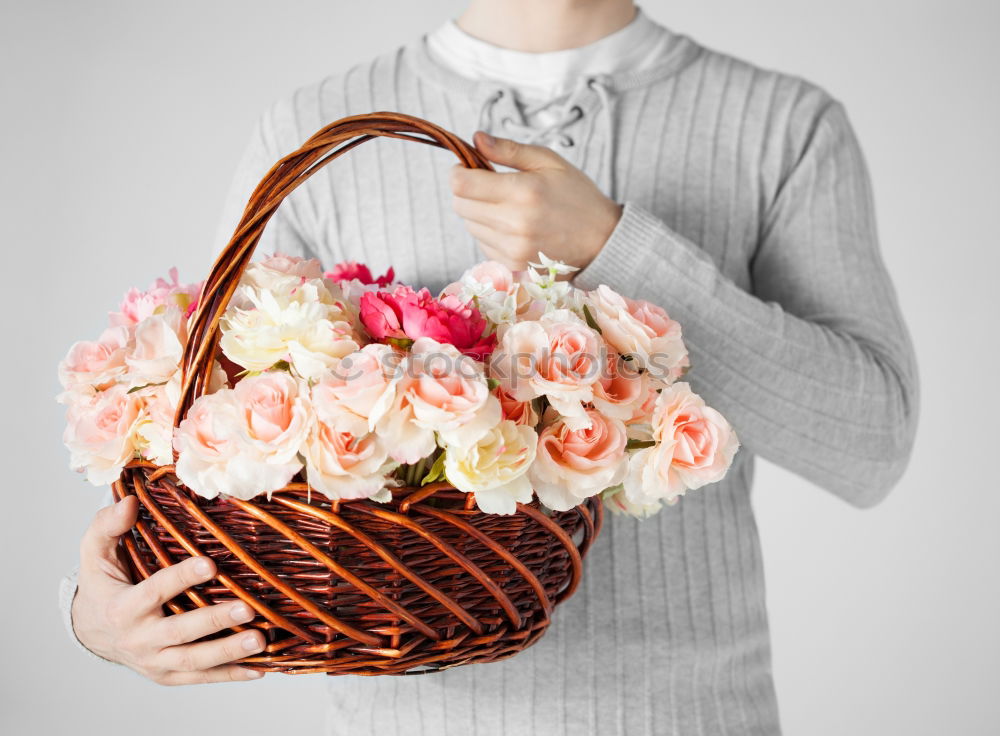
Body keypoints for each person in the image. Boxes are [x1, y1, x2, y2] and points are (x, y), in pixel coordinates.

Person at [61, 1, 919, 734]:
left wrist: (614, 248)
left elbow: (872, 445)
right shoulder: (316, 125)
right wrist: (96, 617)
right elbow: (203, 439)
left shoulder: (784, 125)